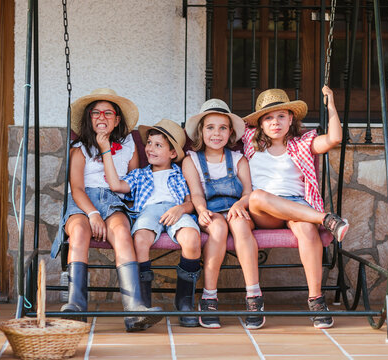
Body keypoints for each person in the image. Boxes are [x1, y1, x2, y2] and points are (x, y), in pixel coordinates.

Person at [50, 88, 162, 332]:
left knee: (122, 231)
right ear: (89, 118)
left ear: (117, 119)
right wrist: (93, 214)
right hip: (83, 203)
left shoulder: (128, 145)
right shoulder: (79, 147)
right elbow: (77, 188)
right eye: (96, 112)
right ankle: (76, 306)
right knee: (78, 232)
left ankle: (134, 310)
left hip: (114, 201)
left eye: (108, 112)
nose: (102, 116)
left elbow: (131, 181)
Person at [243, 86, 350, 329]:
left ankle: (316, 300)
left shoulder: (302, 144)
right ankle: (326, 219)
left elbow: (334, 138)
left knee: (307, 231)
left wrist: (331, 105)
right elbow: (219, 128)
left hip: (297, 205)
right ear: (259, 124)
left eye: (281, 116)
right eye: (268, 118)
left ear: (291, 119)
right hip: (264, 211)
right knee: (257, 196)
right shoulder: (250, 141)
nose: (275, 122)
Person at [103, 118, 203, 327]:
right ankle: (143, 304)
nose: (150, 148)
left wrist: (180, 209)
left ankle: (184, 302)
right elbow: (116, 185)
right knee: (140, 240)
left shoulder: (181, 172)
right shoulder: (139, 175)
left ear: (173, 153)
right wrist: (106, 152)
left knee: (192, 239)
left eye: (158, 145)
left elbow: (191, 202)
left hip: (175, 209)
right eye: (149, 143)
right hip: (148, 211)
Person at [182, 99, 265, 330]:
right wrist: (201, 211)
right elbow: (196, 194)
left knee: (239, 225)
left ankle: (253, 296)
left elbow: (249, 191)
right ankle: (209, 297)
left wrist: (240, 203)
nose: (216, 133)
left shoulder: (238, 159)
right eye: (210, 127)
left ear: (230, 134)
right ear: (201, 131)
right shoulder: (191, 160)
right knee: (218, 228)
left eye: (222, 128)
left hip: (237, 207)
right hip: (210, 210)